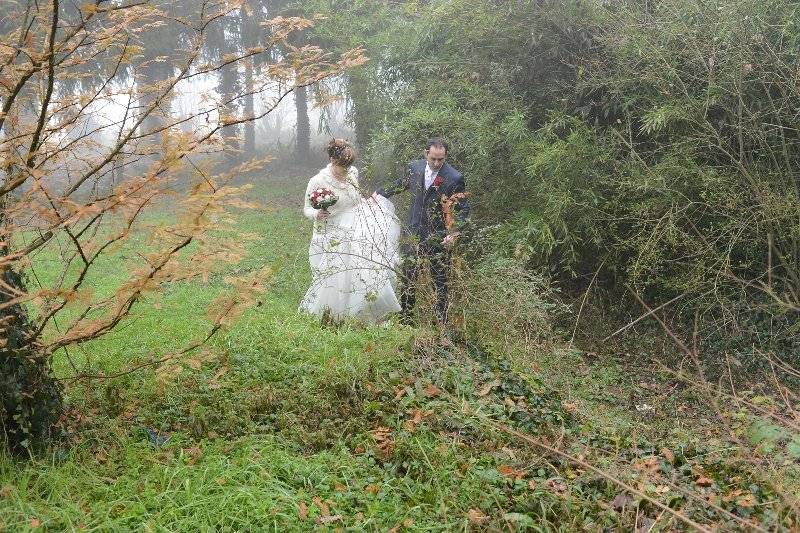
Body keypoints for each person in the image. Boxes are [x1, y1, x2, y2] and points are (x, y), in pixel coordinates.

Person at [299, 139, 402, 324]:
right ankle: (336, 314)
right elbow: (307, 208)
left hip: (359, 225)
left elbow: (355, 198)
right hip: (334, 230)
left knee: (365, 268)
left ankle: (364, 312)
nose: (346, 169)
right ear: (332, 159)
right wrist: (317, 213)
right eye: (342, 166)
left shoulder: (353, 172)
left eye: (349, 165)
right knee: (337, 272)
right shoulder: (318, 180)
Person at [375, 137, 469, 326]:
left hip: (438, 237)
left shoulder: (455, 177)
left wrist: (454, 233)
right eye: (433, 158)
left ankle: (441, 325)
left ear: (445, 156)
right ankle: (406, 321)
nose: (436, 163)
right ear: (426, 153)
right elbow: (401, 183)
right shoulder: (415, 167)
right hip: (413, 231)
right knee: (408, 277)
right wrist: (378, 193)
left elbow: (462, 209)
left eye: (440, 159)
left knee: (439, 281)